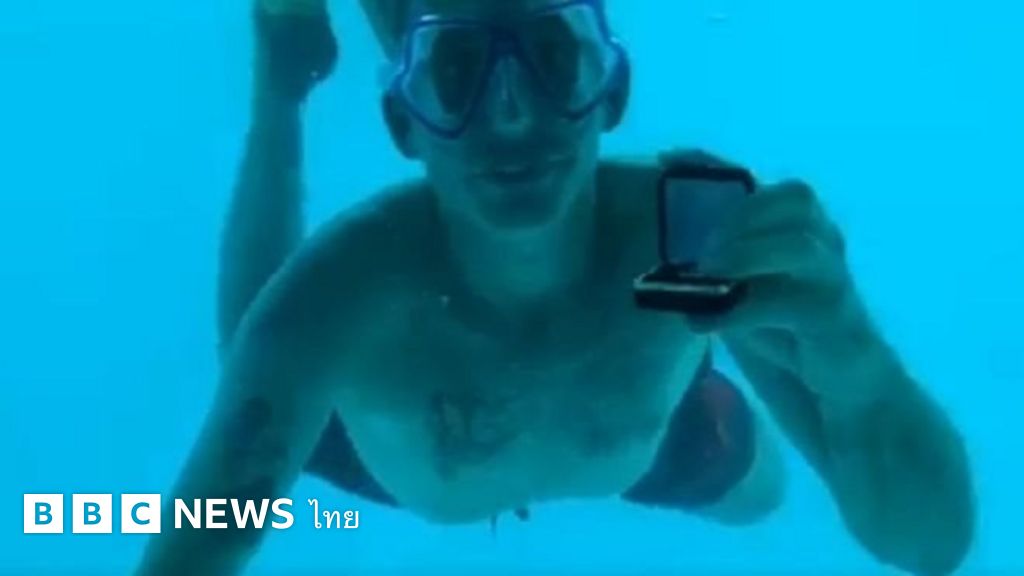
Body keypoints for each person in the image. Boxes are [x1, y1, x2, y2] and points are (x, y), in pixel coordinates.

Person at [135, 0, 975, 574]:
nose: (510, 116)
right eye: (457, 69)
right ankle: (284, 78)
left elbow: (927, 548)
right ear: (402, 122)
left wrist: (858, 364)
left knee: (763, 498)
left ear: (611, 90)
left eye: (552, 55)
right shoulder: (335, 299)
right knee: (252, 339)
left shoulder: (694, 239)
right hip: (380, 448)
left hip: (647, 441)